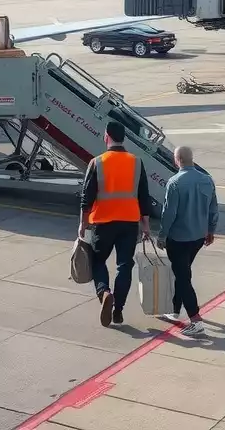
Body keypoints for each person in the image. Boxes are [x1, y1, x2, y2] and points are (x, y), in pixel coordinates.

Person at [79, 120, 152, 327]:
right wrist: (145, 225)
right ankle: (118, 310)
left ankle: (104, 293)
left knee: (98, 261)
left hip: (103, 222)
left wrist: (82, 223)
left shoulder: (97, 162)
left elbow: (87, 197)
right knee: (125, 266)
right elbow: (143, 196)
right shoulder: (137, 162)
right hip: (129, 222)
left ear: (107, 137)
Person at [157, 145, 218, 338]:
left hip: (179, 238)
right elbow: (214, 208)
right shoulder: (207, 180)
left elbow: (169, 213)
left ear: (177, 160)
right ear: (191, 159)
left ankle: (195, 319)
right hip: (198, 237)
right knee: (182, 271)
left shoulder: (174, 182)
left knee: (183, 277)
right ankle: (174, 309)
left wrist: (162, 235)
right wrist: (211, 230)